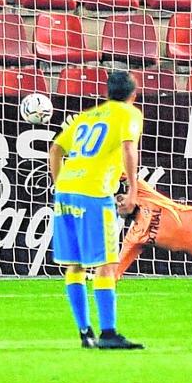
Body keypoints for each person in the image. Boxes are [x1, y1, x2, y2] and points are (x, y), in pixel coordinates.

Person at [48, 70, 145, 350]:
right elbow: (128, 148)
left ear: (106, 93)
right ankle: (108, 332)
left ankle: (84, 331)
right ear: (133, 95)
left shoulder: (87, 116)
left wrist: (61, 184)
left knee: (75, 264)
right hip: (93, 192)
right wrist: (133, 190)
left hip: (66, 190)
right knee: (107, 263)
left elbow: (55, 149)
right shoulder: (129, 113)